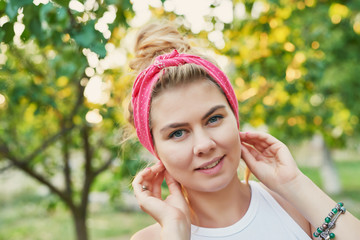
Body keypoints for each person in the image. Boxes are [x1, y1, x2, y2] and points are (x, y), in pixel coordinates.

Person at [128, 23, 360, 240]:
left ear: (235, 119)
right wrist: (176, 230)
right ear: (155, 149)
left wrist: (294, 183)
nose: (204, 144)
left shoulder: (296, 208)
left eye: (214, 119)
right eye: (178, 133)